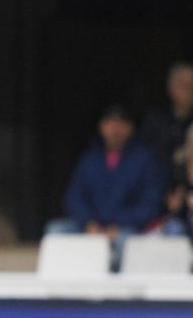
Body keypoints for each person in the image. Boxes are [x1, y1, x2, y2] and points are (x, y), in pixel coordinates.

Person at [47, 105, 164, 265]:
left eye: (121, 123)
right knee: (55, 231)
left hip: (127, 229)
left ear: (130, 128)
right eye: (110, 123)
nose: (115, 129)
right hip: (91, 227)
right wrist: (89, 223)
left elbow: (151, 203)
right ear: (101, 127)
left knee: (125, 242)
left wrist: (117, 226)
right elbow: (74, 197)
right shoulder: (89, 159)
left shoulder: (145, 160)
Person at [140, 62, 193, 185]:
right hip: (155, 189)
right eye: (182, 84)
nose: (188, 90)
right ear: (171, 88)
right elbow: (143, 161)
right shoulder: (155, 121)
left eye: (191, 85)